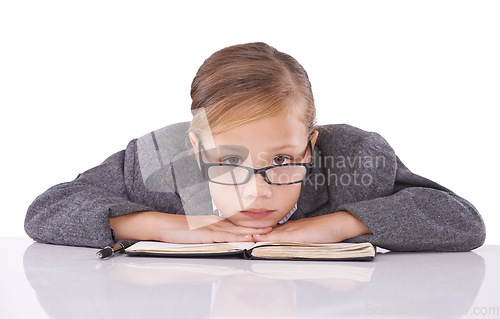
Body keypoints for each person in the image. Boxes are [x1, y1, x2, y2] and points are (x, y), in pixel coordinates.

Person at [25, 42, 485, 251]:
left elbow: (463, 222)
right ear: (195, 150)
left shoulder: (355, 156)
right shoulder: (161, 161)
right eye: (227, 161)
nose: (256, 193)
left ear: (310, 146)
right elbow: (46, 210)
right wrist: (160, 224)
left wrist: (337, 225)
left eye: (283, 161)